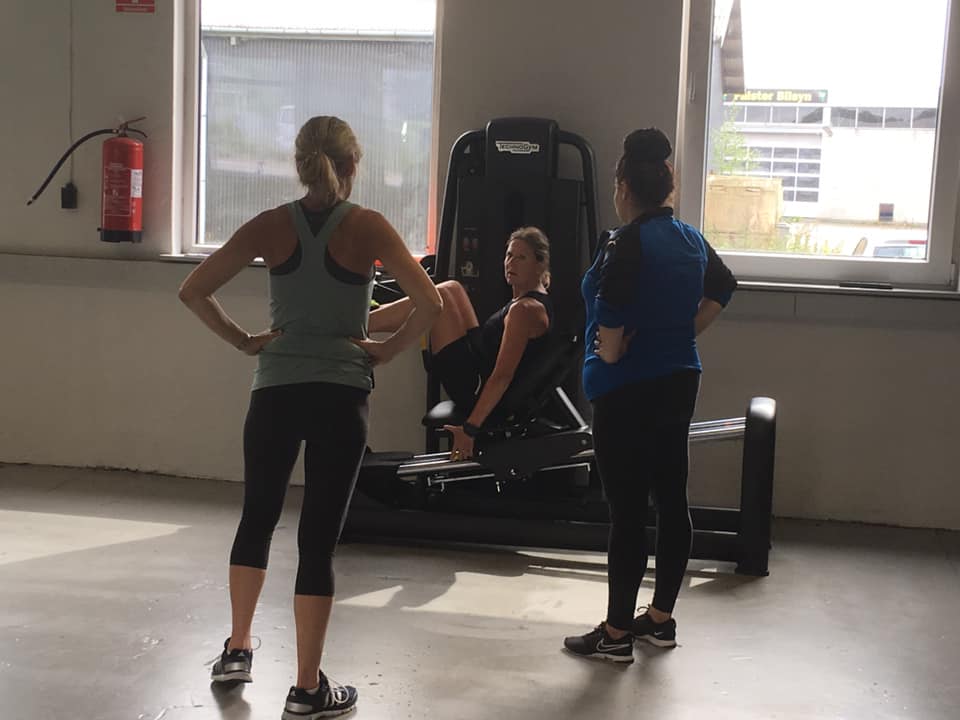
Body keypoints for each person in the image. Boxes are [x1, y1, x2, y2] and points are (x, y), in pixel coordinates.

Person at [178, 115, 442, 717]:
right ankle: (305, 689)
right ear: (351, 165)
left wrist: (245, 341)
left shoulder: (272, 225)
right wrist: (386, 350)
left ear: (301, 165)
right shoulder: (368, 226)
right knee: (317, 543)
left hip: (276, 391)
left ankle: (238, 649)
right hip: (340, 396)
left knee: (256, 519)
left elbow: (192, 289)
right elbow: (430, 302)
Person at [563, 128, 737, 663]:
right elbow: (723, 285)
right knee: (671, 498)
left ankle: (616, 635)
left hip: (625, 390)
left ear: (622, 187)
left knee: (628, 513)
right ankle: (660, 620)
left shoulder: (625, 242)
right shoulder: (689, 238)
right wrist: (684, 331)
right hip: (678, 379)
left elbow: (612, 313)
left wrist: (613, 351)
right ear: (666, 184)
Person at [368, 226, 553, 460]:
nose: (511, 263)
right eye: (509, 255)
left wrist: (470, 429)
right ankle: (370, 315)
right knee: (451, 288)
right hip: (477, 362)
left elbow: (502, 376)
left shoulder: (524, 310)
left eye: (521, 258)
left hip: (473, 386)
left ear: (539, 265)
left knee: (440, 300)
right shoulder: (530, 301)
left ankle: (363, 322)